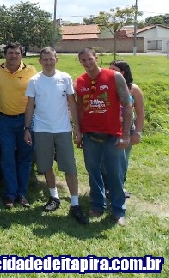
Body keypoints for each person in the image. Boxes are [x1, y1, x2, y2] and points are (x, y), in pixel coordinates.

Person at [23, 47, 88, 224]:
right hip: (42, 130)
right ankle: (54, 197)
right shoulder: (34, 81)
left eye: (51, 59)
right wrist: (27, 128)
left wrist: (76, 127)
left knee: (70, 168)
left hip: (63, 129)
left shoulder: (65, 78)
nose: (48, 62)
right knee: (46, 166)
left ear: (56, 59)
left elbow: (72, 104)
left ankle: (75, 203)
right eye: (44, 59)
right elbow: (30, 106)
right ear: (40, 61)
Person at [74, 48, 132, 227]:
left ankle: (118, 210)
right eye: (83, 60)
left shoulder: (114, 77)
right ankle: (98, 205)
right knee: (93, 172)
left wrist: (125, 134)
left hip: (112, 135)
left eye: (90, 59)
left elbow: (127, 105)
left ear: (96, 58)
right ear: (80, 62)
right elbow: (79, 109)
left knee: (115, 174)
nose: (87, 63)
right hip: (90, 135)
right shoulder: (80, 81)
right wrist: (79, 132)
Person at [0, 42, 36, 209]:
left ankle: (21, 193)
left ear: (21, 54)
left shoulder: (31, 71)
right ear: (5, 54)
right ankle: (10, 194)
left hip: (26, 120)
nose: (13, 56)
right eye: (10, 53)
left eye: (17, 53)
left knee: (25, 157)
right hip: (4, 121)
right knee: (7, 157)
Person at [108, 60, 145, 197]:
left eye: (114, 69)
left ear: (123, 72)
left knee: (123, 161)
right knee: (107, 161)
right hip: (109, 130)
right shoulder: (106, 86)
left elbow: (140, 113)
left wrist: (138, 132)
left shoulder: (133, 89)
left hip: (127, 130)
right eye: (109, 69)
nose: (110, 72)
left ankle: (120, 187)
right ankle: (107, 188)